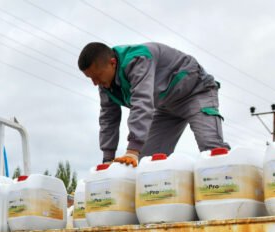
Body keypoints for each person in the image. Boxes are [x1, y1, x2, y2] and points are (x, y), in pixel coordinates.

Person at [78, 42, 229, 167]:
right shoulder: (104, 85)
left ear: (113, 63)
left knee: (212, 151)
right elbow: (108, 118)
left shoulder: (138, 60)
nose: (95, 83)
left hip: (195, 92)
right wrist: (107, 159)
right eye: (91, 78)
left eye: (97, 76)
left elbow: (142, 102)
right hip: (166, 107)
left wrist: (132, 149)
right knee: (147, 162)